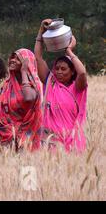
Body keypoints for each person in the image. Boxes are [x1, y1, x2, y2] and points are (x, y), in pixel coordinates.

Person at [35, 19, 88, 152]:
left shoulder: (77, 87)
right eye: (57, 68)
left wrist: (69, 51)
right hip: (50, 142)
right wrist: (41, 32)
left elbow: (82, 72)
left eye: (63, 69)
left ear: (72, 72)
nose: (58, 71)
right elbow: (38, 58)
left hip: (72, 141)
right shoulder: (50, 83)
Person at [0, 49, 42, 151]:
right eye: (12, 57)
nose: (12, 60)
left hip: (26, 135)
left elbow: (28, 97)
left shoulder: (34, 84)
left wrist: (24, 72)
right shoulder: (8, 84)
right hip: (6, 135)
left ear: (27, 63)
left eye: (18, 59)